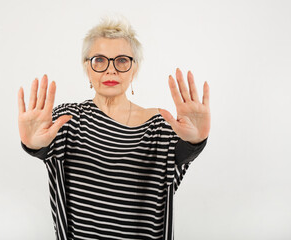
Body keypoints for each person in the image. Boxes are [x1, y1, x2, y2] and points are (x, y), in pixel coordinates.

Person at [17, 16, 210, 240]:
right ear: (87, 67)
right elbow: (45, 146)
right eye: (99, 60)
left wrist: (195, 141)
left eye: (121, 60)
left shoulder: (159, 126)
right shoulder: (67, 119)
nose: (111, 70)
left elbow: (179, 154)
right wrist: (32, 144)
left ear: (134, 68)